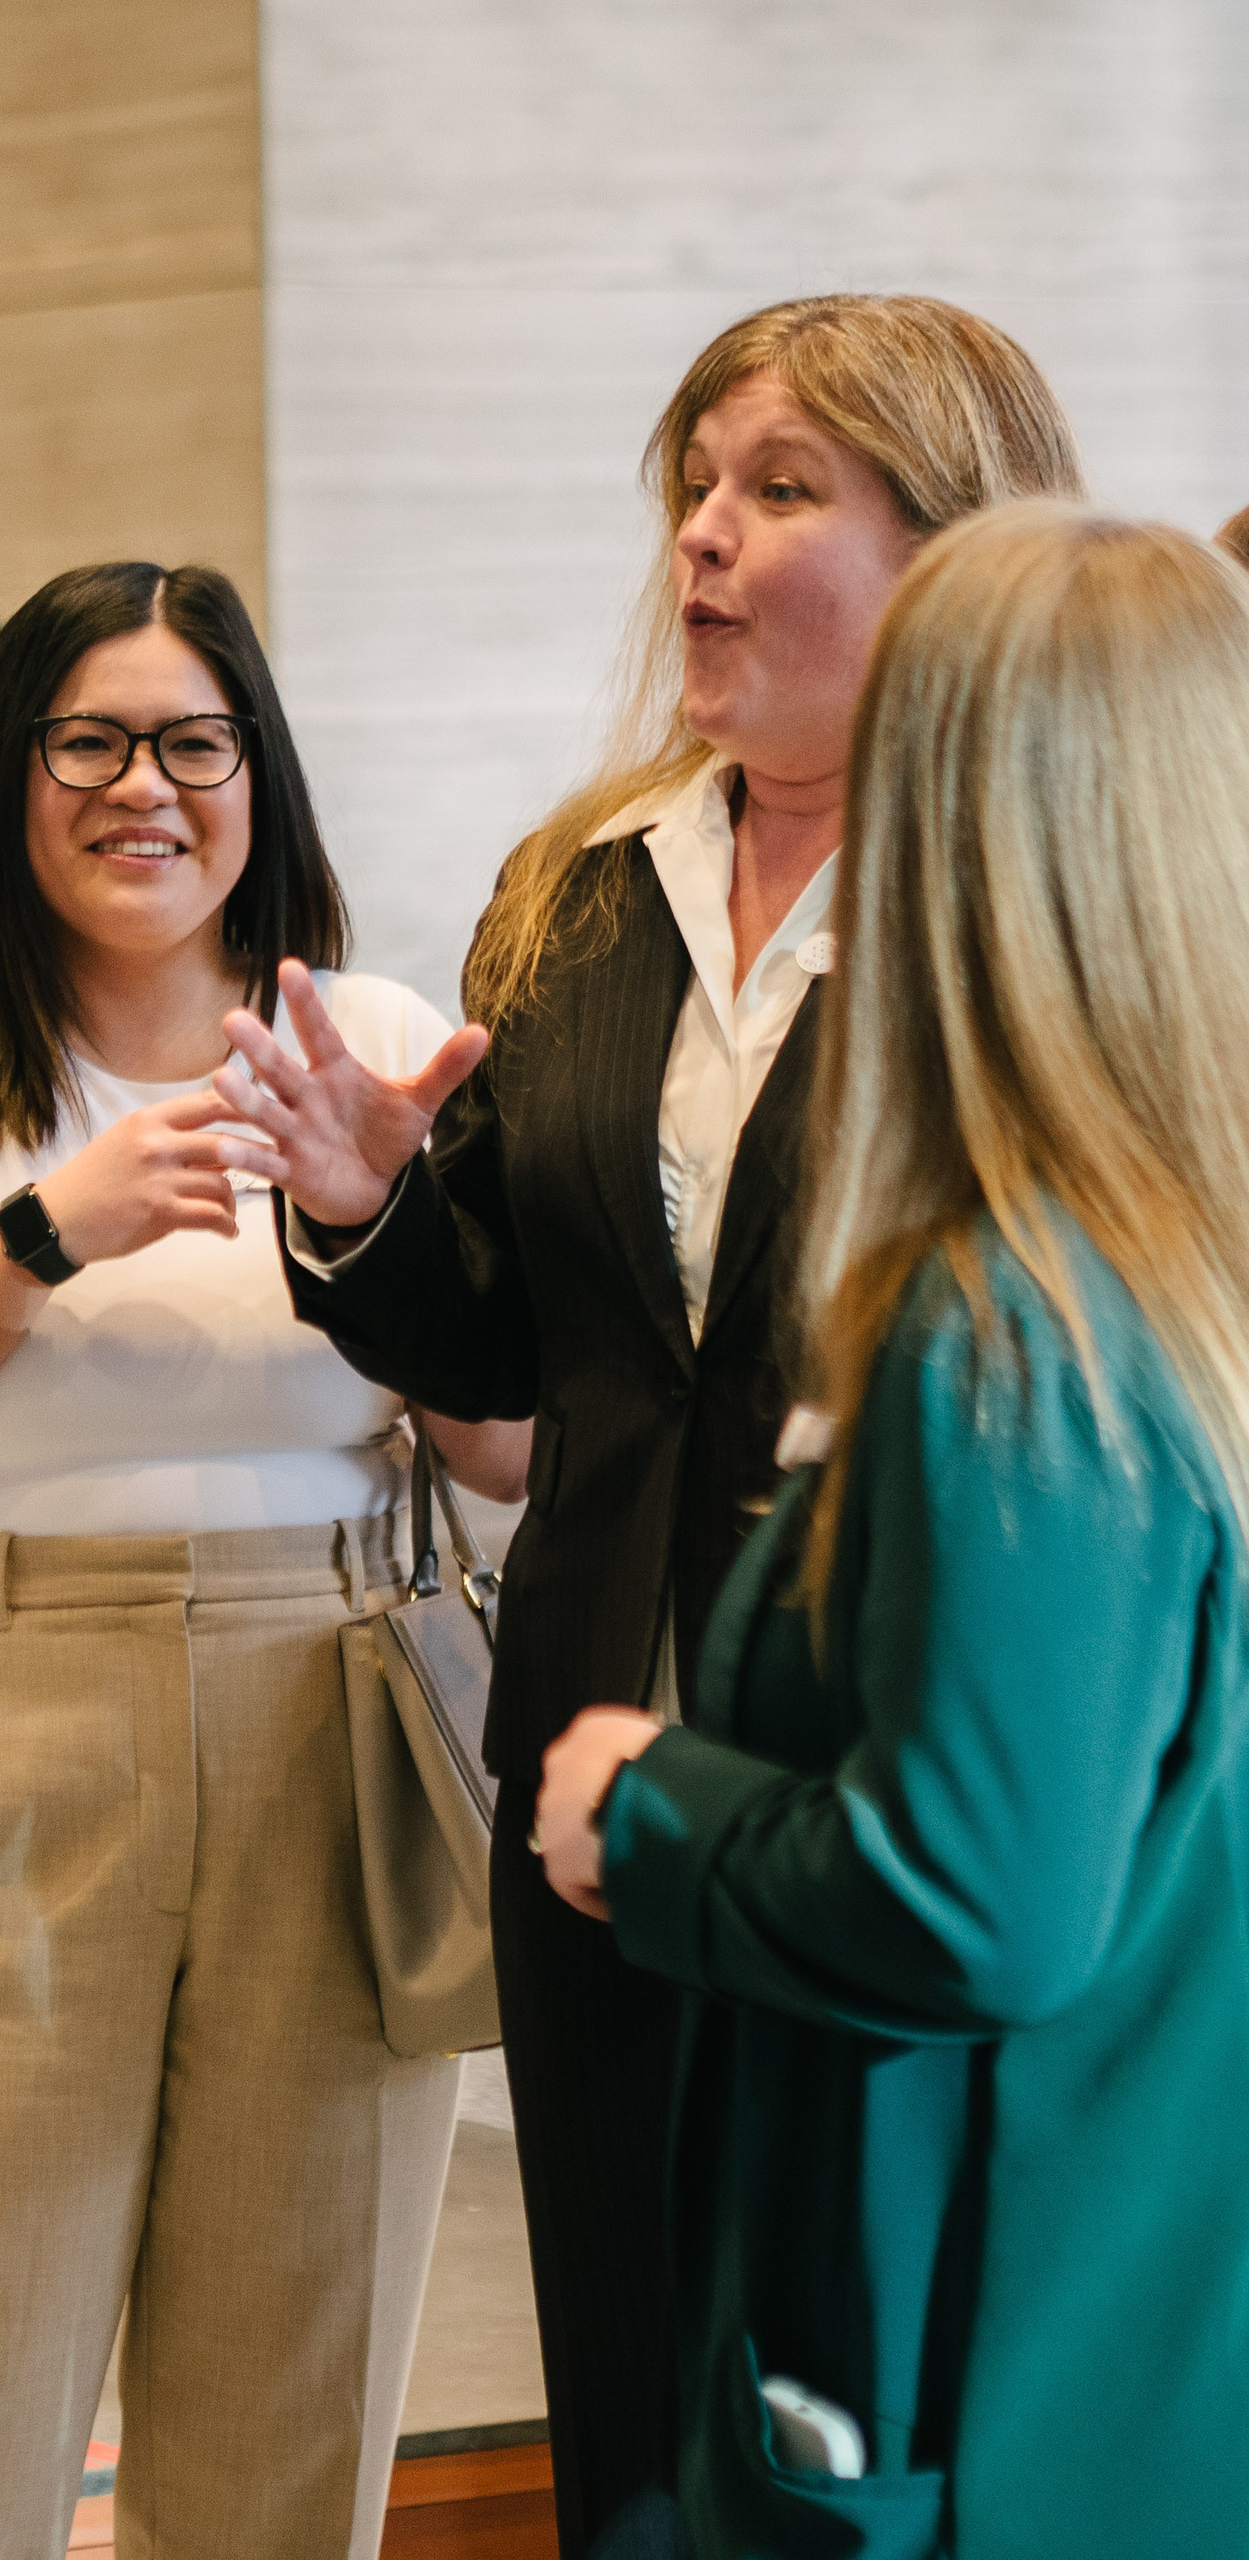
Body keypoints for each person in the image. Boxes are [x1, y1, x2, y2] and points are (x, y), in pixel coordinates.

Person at [216, 295, 1081, 2558]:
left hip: (903, 1769)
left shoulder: (1031, 909)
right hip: (593, 1762)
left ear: (953, 554)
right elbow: (517, 1354)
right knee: (626, 2368)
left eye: (779, 490)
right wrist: (362, 1207)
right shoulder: (582, 893)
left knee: (881, 2389)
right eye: (693, 485)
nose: (700, 536)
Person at [0, 560, 525, 2560]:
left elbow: (509, 1444)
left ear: (260, 775)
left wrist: (372, 1229)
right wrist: (42, 1232)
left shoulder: (372, 1039)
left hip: (331, 1708)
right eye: (84, 741)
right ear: (8, 774)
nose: (140, 787)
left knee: (289, 2420)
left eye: (190, 742)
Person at [536, 502, 1249, 2556]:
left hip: (984, 2360)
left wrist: (649, 1807)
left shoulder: (1015, 1323)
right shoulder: (1177, 1269)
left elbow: (977, 1897)